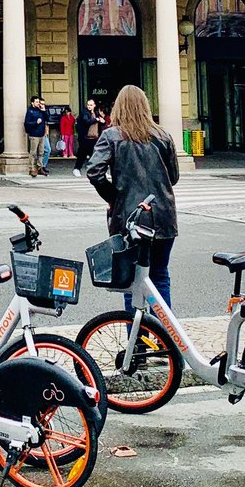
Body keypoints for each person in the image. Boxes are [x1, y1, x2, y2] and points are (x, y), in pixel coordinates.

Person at [86, 85, 178, 315]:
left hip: (130, 217)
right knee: (160, 276)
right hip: (163, 216)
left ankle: (136, 341)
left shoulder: (112, 135)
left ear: (119, 107)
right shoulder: (163, 135)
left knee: (131, 282)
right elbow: (173, 177)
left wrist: (114, 198)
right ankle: (165, 337)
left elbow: (94, 172)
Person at [73, 98, 103, 177]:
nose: (89, 106)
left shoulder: (96, 113)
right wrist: (96, 119)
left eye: (91, 105)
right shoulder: (84, 113)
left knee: (96, 155)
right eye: (88, 105)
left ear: (94, 105)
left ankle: (99, 171)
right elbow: (87, 121)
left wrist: (102, 121)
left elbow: (100, 122)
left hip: (95, 138)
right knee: (82, 155)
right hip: (85, 138)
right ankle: (77, 169)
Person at [24, 96, 47, 177]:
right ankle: (31, 168)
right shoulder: (30, 111)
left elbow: (47, 118)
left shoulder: (40, 110)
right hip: (34, 135)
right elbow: (26, 123)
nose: (38, 103)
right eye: (37, 102)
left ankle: (39, 167)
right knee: (33, 152)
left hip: (42, 134)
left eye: (39, 102)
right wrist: (35, 122)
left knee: (41, 152)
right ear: (32, 103)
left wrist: (44, 111)